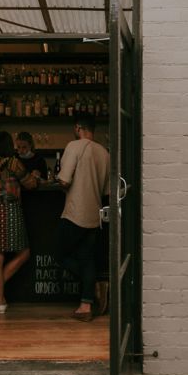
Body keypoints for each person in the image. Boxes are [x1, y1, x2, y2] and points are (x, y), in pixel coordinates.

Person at [56, 113, 110, 322]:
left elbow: (65, 180)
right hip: (94, 216)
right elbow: (106, 191)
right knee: (87, 258)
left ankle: (93, 284)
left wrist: (59, 182)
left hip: (74, 214)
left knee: (59, 254)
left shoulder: (74, 146)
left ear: (78, 127)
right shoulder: (104, 153)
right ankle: (85, 306)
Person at [0, 131, 39, 313]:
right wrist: (36, 177)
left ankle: (0, 301)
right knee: (24, 253)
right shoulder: (13, 162)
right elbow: (30, 183)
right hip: (11, 211)